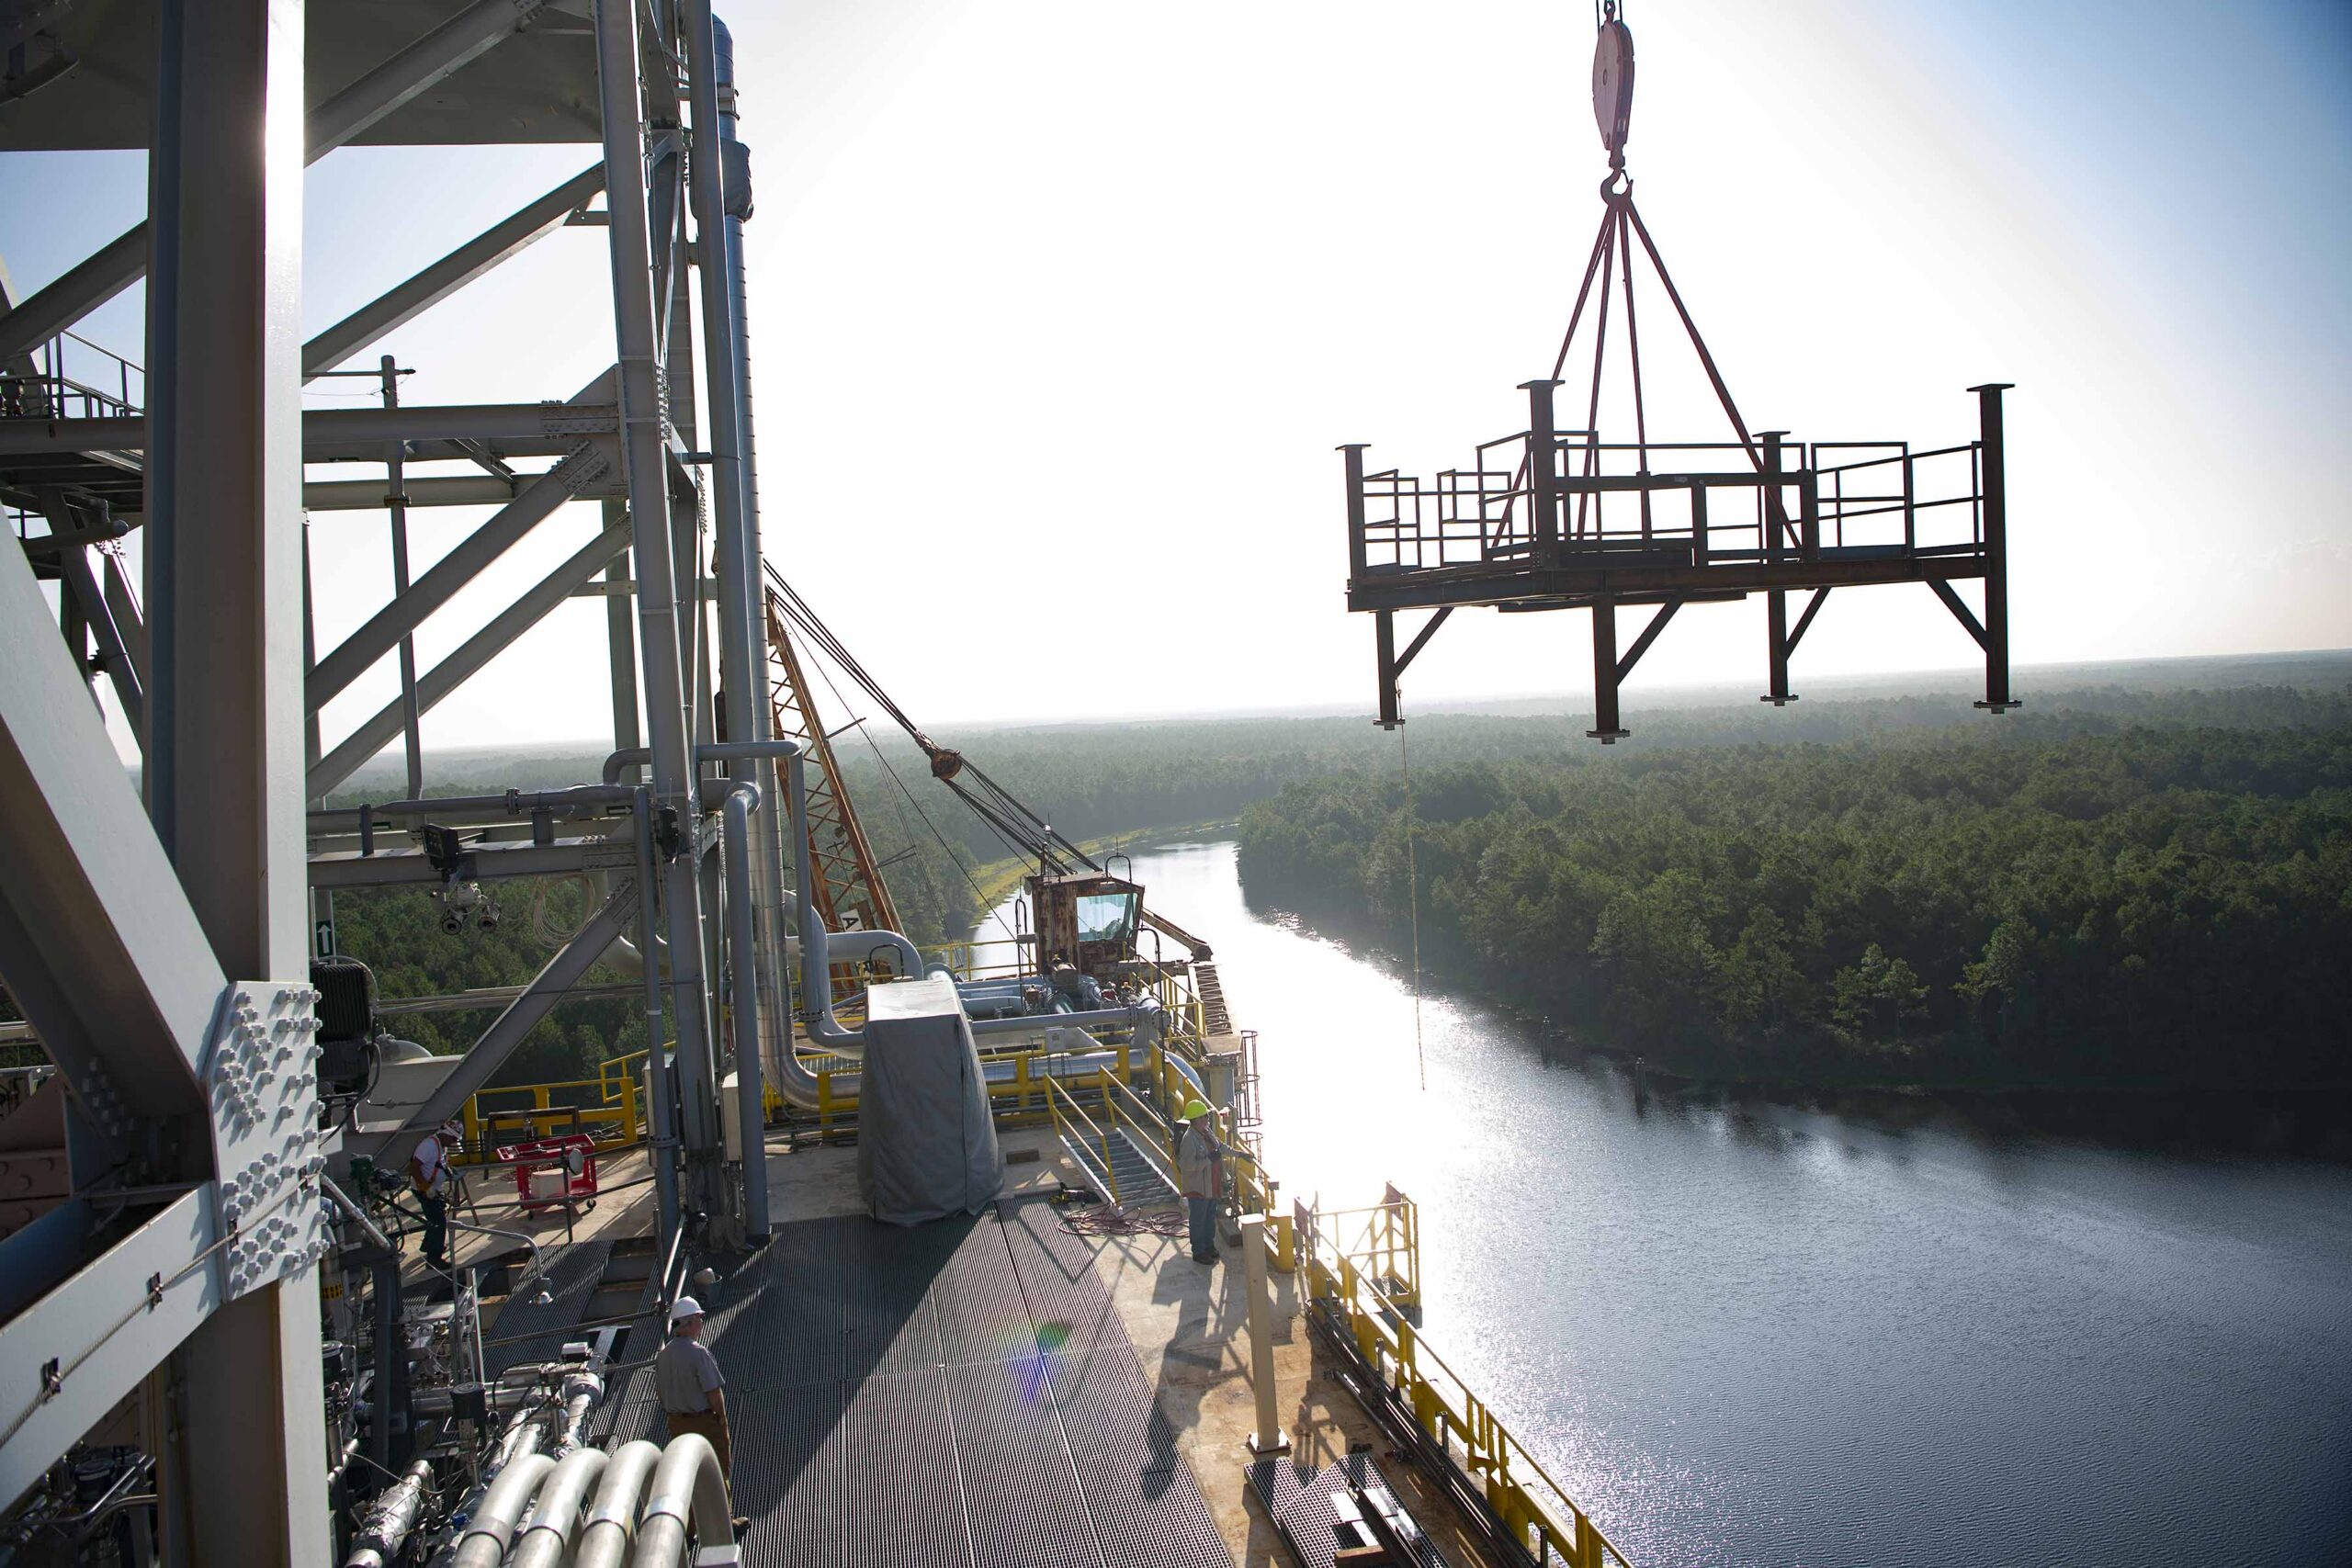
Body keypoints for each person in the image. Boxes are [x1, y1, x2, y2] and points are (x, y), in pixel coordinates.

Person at [657, 1297, 751, 1532]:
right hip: (704, 1421)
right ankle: (723, 1525)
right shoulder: (699, 1354)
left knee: (687, 1472)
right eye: (699, 1318)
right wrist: (721, 1419)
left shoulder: (663, 1355)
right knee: (718, 1470)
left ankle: (689, 1528)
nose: (702, 1322)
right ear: (688, 1324)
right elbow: (713, 1391)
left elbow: (661, 1393)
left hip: (676, 1423)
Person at [1176, 1100, 1229, 1265]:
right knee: (1198, 1219)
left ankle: (1208, 1245)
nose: (1208, 1119)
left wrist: (1240, 1155)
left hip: (1211, 1185)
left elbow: (1220, 1147)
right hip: (1198, 1188)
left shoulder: (1207, 1132)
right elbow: (1187, 1166)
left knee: (1209, 1217)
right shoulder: (1189, 1139)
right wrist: (1208, 1160)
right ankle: (1198, 1251)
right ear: (1196, 1119)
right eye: (1205, 1117)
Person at [408, 1120, 459, 1270]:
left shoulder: (440, 1145)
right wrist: (425, 1188)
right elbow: (414, 1167)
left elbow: (438, 1162)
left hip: (431, 1190)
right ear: (446, 1134)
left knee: (434, 1218)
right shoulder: (428, 1146)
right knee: (439, 1222)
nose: (454, 1142)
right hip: (424, 1190)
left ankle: (428, 1245)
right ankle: (433, 1259)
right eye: (454, 1139)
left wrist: (446, 1170)